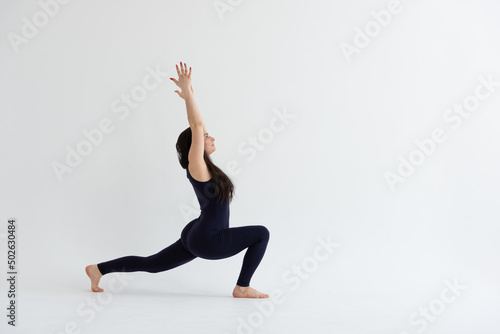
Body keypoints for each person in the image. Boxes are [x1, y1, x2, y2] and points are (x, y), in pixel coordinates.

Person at [85, 62, 270, 298]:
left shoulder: (207, 169)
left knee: (151, 264)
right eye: (205, 137)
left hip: (197, 233)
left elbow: (198, 125)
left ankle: (98, 269)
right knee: (261, 233)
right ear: (195, 145)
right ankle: (242, 287)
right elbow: (196, 124)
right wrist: (187, 96)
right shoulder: (197, 167)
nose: (211, 137)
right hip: (209, 238)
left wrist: (189, 94)